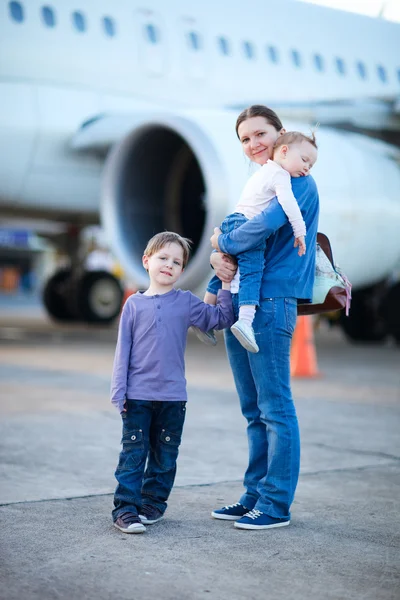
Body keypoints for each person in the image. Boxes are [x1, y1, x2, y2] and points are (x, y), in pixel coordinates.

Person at [209, 105, 319, 530]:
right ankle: (254, 494)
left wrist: (220, 240)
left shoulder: (297, 181)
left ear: (281, 135)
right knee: (253, 410)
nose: (253, 144)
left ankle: (275, 505)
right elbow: (241, 244)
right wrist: (220, 255)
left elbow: (254, 232)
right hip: (242, 302)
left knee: (275, 408)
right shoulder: (262, 183)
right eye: (245, 138)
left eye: (261, 133)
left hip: (271, 303)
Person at [110, 231, 234, 533]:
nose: (169, 265)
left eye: (176, 262)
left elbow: (220, 319)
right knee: (133, 455)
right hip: (137, 396)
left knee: (165, 457)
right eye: (163, 258)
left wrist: (226, 284)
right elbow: (122, 351)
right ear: (147, 260)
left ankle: (152, 504)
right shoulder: (133, 305)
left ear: (182, 270)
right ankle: (126, 509)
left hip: (173, 399)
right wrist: (119, 392)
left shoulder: (186, 303)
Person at [195, 131, 317, 353]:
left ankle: (204, 316)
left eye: (311, 164)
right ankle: (245, 320)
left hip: (232, 221)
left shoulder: (262, 173)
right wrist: (300, 230)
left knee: (225, 270)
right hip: (245, 224)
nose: (307, 168)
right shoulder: (280, 175)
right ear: (285, 151)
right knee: (253, 270)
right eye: (305, 160)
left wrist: (221, 241)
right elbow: (287, 204)